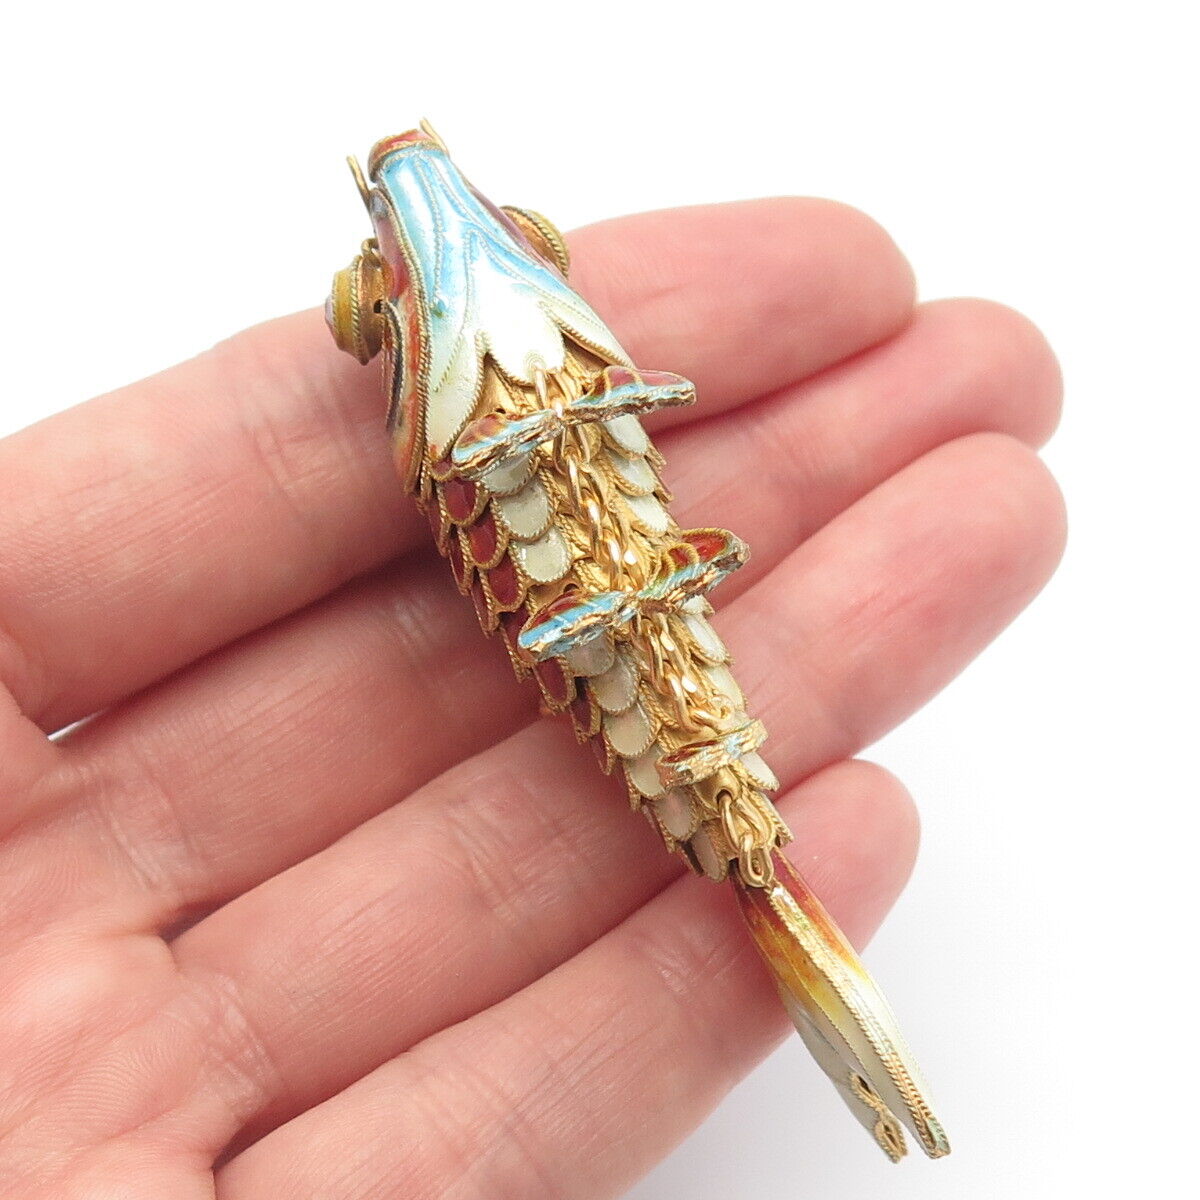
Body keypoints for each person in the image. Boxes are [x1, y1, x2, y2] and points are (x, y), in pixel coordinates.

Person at [0, 198, 1064, 1197]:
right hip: (559, 526)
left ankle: (777, 909)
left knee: (708, 770)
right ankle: (777, 916)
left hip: (602, 508)